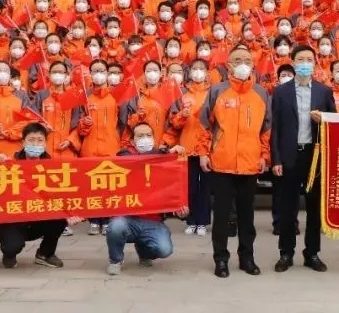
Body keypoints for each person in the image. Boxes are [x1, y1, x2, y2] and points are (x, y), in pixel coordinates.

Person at [197, 45, 271, 278]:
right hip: (222, 163)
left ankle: (247, 258)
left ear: (253, 64)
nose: (242, 64)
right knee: (221, 216)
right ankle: (220, 259)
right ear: (228, 65)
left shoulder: (261, 93)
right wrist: (203, 153)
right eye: (237, 60)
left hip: (250, 163)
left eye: (247, 60)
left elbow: (266, 129)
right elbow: (204, 125)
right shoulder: (217, 91)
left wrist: (264, 155)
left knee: (247, 216)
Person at [270, 45, 337, 273]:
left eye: (309, 59)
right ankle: (286, 253)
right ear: (293, 62)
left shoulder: (323, 91)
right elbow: (275, 128)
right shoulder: (281, 92)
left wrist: (323, 119)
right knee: (288, 208)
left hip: (314, 155)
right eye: (301, 59)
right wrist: (276, 159)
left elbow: (335, 123)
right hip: (289, 155)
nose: (305, 63)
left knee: (314, 207)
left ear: (315, 63)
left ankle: (312, 253)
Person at [106, 122, 189, 275]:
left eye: (149, 135)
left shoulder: (163, 161)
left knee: (164, 249)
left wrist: (180, 210)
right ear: (132, 141)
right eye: (140, 136)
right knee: (116, 227)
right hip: (127, 219)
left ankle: (144, 252)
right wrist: (166, 153)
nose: (145, 139)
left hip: (153, 221)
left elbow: (172, 189)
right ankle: (116, 260)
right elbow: (138, 161)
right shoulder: (124, 156)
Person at [0, 123, 71, 269]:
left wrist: (72, 213)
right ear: (22, 143)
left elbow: (62, 195)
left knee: (60, 217)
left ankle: (45, 253)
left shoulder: (53, 167)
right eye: (31, 140)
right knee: (11, 246)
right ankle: (9, 254)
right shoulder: (9, 163)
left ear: (45, 144)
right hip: (15, 219)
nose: (35, 144)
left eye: (40, 140)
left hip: (40, 218)